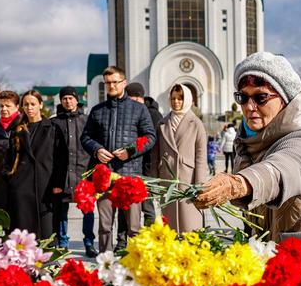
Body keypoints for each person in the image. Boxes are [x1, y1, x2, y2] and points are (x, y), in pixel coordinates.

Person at [194, 52, 301, 243]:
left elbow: (283, 166)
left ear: (283, 100)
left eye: (261, 97)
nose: (250, 107)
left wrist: (238, 184)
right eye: (243, 97)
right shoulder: (247, 139)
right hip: (273, 247)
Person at [81, 66, 156, 252]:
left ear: (124, 82)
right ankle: (105, 261)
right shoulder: (98, 110)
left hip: (130, 177)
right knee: (105, 226)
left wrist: (130, 150)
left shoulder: (139, 109)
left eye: (115, 82)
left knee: (133, 227)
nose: (112, 86)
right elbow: (86, 137)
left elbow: (150, 136)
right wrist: (97, 150)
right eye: (108, 83)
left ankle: (135, 260)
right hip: (104, 177)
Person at [150, 84, 208, 233]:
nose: (176, 102)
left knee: (190, 225)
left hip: (187, 181)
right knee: (170, 226)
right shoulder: (162, 123)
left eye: (180, 98)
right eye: (173, 98)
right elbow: (155, 155)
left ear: (187, 99)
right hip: (167, 179)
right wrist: (155, 182)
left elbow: (201, 158)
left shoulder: (196, 124)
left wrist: (199, 186)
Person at [4, 90, 61, 240]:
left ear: (40, 105)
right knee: (23, 228)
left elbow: (61, 158)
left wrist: (58, 183)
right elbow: (9, 158)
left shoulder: (52, 128)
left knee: (46, 227)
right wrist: (12, 180)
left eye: (33, 104)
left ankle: (48, 260)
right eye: (26, 105)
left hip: (45, 183)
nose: (29, 108)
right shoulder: (17, 129)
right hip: (22, 185)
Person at [50, 86, 97, 256]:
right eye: (64, 98)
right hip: (62, 175)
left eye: (71, 98)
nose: (68, 101)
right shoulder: (55, 122)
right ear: (61, 101)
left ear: (77, 100)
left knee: (88, 209)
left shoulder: (87, 121)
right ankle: (63, 243)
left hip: (84, 172)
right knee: (62, 210)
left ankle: (89, 242)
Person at [127, 81, 162, 232]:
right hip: (133, 166)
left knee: (147, 205)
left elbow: (153, 141)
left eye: (132, 100)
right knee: (133, 205)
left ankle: (149, 234)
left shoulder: (153, 114)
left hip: (148, 166)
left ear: (139, 98)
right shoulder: (131, 111)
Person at [0, 91, 21, 212]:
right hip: (0, 182)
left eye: (8, 106)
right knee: (2, 219)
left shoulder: (24, 125)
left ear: (17, 107)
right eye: (1, 106)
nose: (4, 109)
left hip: (20, 181)